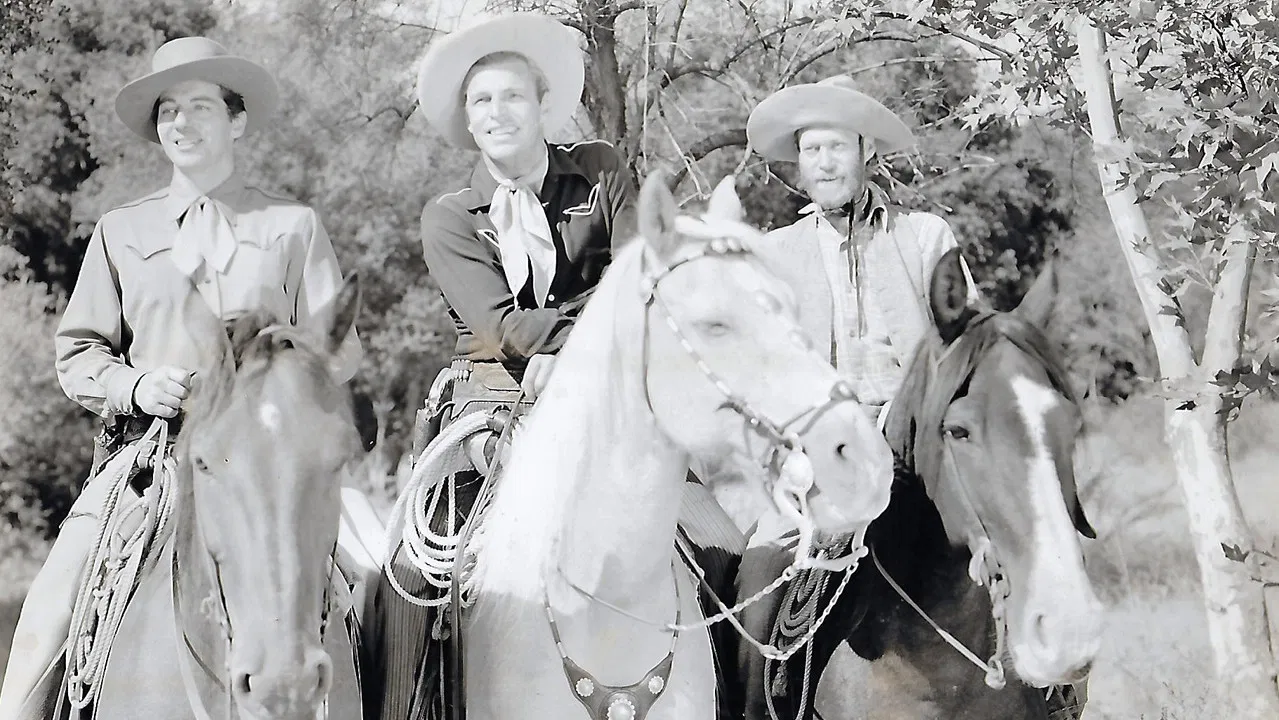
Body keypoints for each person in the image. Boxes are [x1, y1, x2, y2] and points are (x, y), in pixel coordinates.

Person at [0, 36, 361, 719]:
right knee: (48, 611)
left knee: (382, 589)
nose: (182, 123)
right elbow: (78, 352)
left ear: (237, 120)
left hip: (271, 463)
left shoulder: (291, 228)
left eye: (200, 107)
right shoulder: (121, 232)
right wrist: (135, 387)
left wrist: (281, 386)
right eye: (169, 110)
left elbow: (337, 354)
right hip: (150, 457)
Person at [361, 12, 638, 720]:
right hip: (487, 405)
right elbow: (501, 328)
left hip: (609, 396)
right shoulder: (450, 215)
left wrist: (577, 353)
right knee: (407, 573)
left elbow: (642, 282)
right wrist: (588, 325)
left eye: (512, 95)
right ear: (467, 121)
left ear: (542, 103)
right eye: (481, 101)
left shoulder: (602, 175)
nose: (497, 112)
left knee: (716, 531)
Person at [733, 73, 976, 717]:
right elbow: (758, 379)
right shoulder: (775, 256)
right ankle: (758, 707)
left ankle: (1054, 682)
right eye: (812, 149)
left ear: (866, 151)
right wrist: (788, 457)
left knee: (1019, 527)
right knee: (758, 575)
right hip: (819, 465)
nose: (824, 162)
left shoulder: (926, 238)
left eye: (837, 146)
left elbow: (965, 353)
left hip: (922, 454)